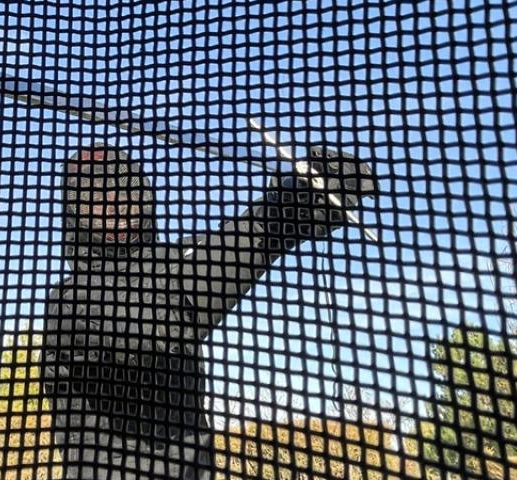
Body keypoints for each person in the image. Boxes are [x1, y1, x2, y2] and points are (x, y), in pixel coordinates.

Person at [40, 144, 378, 480]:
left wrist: (295, 202)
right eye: (94, 194)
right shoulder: (68, 302)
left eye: (125, 187)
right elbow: (154, 320)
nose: (115, 201)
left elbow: (244, 239)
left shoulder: (174, 263)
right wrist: (281, 212)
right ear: (74, 212)